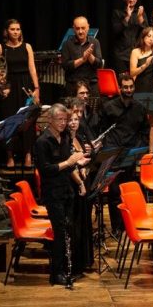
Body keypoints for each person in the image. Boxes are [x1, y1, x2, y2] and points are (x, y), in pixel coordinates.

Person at [34, 103, 89, 286]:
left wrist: (80, 175)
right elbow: (46, 169)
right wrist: (69, 162)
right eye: (60, 119)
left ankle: (68, 268)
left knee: (68, 230)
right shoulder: (42, 142)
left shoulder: (65, 137)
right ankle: (56, 273)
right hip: (53, 193)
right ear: (50, 120)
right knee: (59, 233)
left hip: (67, 191)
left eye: (65, 120)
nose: (64, 123)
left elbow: (70, 165)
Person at [99, 74, 150, 231]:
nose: (128, 90)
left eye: (131, 87)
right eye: (125, 87)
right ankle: (117, 227)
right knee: (114, 192)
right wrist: (108, 150)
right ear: (120, 88)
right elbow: (102, 131)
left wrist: (138, 150)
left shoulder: (140, 107)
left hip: (130, 154)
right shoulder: (109, 107)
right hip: (113, 154)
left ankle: (128, 225)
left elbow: (144, 131)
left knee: (127, 191)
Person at [0, 19, 40, 168]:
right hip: (9, 87)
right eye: (12, 29)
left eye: (18, 29)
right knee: (9, 120)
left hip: (25, 85)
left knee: (27, 120)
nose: (16, 32)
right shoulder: (0, 48)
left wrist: (36, 89)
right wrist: (1, 87)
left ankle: (28, 154)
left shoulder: (27, 47)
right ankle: (10, 156)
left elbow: (32, 68)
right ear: (7, 31)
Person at [67, 110, 94, 274]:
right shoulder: (67, 140)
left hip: (83, 181)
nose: (73, 122)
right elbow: (70, 165)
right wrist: (80, 181)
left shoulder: (79, 138)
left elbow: (83, 162)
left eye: (76, 119)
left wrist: (86, 167)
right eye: (70, 119)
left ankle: (83, 262)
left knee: (84, 223)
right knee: (75, 225)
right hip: (73, 186)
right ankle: (75, 265)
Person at [61, 16, 103, 96]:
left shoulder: (95, 42)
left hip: (91, 85)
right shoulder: (67, 44)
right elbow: (66, 66)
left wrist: (90, 56)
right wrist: (83, 59)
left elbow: (99, 64)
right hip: (73, 86)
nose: (80, 31)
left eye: (83, 28)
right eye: (77, 28)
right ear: (73, 28)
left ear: (88, 27)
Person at [111, 0, 147, 76]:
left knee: (135, 83)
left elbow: (147, 32)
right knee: (123, 82)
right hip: (121, 55)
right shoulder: (117, 13)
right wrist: (127, 16)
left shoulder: (140, 13)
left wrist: (140, 19)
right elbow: (116, 31)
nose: (131, 0)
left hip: (136, 54)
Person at [129, 27, 153, 93]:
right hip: (140, 86)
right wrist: (145, 65)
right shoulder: (135, 52)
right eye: (149, 36)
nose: (151, 39)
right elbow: (132, 73)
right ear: (143, 37)